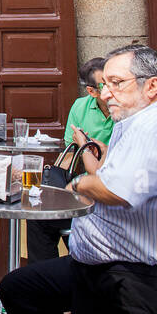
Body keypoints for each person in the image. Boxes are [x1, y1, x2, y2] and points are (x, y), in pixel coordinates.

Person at [0, 45, 157, 314]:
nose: (105, 94)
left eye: (117, 83)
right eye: (105, 85)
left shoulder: (153, 125)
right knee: (21, 289)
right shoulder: (143, 121)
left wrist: (80, 183)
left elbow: (121, 191)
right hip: (102, 268)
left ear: (152, 85)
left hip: (132, 281)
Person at [26, 57, 114, 264]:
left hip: (105, 189)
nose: (112, 89)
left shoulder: (125, 110)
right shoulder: (81, 107)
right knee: (40, 214)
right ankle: (44, 278)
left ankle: (79, 263)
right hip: (81, 185)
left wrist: (86, 147)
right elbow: (68, 155)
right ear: (92, 91)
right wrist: (55, 187)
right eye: (106, 84)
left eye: (116, 82)